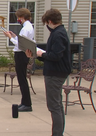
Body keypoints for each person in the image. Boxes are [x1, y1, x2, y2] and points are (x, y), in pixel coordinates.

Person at [26, 8, 71, 136]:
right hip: (55, 71)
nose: (47, 26)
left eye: (46, 23)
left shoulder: (58, 34)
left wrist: (42, 53)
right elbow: (51, 55)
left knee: (54, 106)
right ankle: (58, 132)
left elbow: (55, 56)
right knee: (57, 104)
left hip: (55, 73)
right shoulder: (59, 32)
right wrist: (36, 55)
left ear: (50, 21)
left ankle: (57, 134)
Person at [3, 8, 34, 112]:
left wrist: (10, 38)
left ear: (22, 17)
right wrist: (15, 36)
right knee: (22, 79)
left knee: (22, 80)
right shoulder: (27, 27)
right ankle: (25, 102)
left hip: (21, 54)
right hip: (22, 54)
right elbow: (21, 40)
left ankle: (27, 103)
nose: (18, 19)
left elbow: (21, 45)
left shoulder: (26, 28)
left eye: (18, 17)